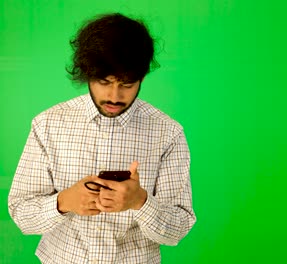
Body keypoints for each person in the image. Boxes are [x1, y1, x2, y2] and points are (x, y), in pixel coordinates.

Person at [8, 13, 196, 263]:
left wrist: (140, 201)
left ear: (141, 78)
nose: (114, 96)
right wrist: (64, 201)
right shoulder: (48, 125)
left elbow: (178, 229)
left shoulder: (167, 133)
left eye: (127, 84)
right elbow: (21, 213)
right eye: (104, 81)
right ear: (87, 74)